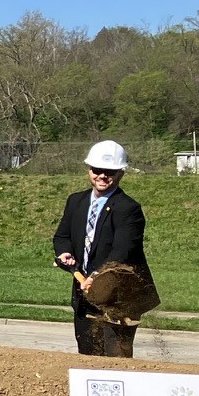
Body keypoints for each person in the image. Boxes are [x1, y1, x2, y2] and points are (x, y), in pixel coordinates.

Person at [53, 140, 151, 356]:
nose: (102, 176)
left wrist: (96, 276)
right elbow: (62, 236)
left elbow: (122, 252)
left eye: (110, 172)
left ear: (121, 173)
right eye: (97, 170)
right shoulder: (76, 201)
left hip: (119, 297)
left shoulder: (128, 209)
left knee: (116, 358)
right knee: (87, 354)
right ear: (89, 170)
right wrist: (64, 253)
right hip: (84, 295)